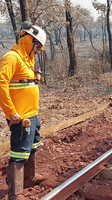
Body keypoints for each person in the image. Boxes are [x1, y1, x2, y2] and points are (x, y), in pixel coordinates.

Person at [0, 21, 46, 200]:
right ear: (29, 40)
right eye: (38, 46)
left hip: (32, 114)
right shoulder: (11, 58)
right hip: (20, 117)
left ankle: (29, 178)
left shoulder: (27, 59)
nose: (38, 50)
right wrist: (11, 112)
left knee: (33, 145)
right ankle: (15, 193)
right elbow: (1, 84)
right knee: (19, 151)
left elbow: (24, 83)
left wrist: (36, 77)